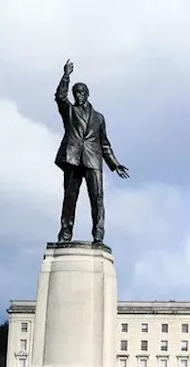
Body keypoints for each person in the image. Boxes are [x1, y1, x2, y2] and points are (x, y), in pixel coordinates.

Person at [53, 59, 130, 245]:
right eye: (75, 92)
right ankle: (65, 235)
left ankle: (98, 236)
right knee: (69, 199)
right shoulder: (69, 111)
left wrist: (115, 164)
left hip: (93, 160)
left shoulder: (98, 118)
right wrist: (66, 77)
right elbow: (60, 98)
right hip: (72, 158)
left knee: (97, 199)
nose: (78, 95)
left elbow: (104, 144)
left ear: (87, 94)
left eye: (81, 92)